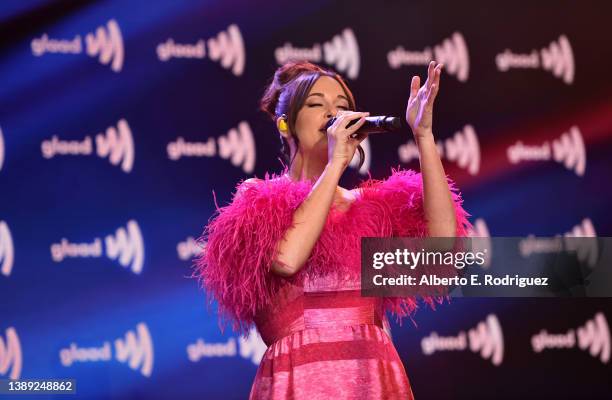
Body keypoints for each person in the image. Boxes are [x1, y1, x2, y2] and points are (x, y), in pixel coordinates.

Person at [193, 60, 472, 399]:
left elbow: (441, 251)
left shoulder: (371, 209)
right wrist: (336, 162)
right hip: (299, 378)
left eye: (342, 106)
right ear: (285, 125)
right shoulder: (259, 199)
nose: (333, 112)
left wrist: (424, 136)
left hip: (372, 375)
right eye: (316, 104)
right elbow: (287, 259)